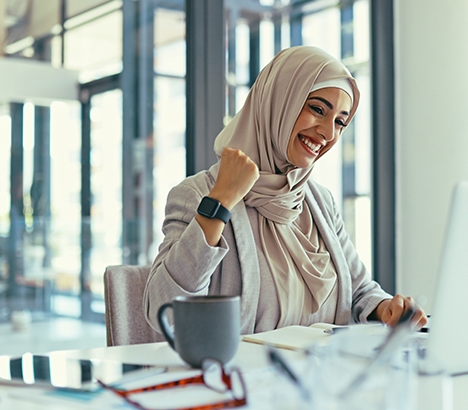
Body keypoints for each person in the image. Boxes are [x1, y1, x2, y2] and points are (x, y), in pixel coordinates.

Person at [144, 45, 426, 335]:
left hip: (323, 375)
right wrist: (221, 200)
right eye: (318, 109)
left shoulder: (318, 201)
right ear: (279, 102)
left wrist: (387, 308)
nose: (329, 134)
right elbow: (165, 312)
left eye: (340, 122)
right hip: (240, 377)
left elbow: (359, 289)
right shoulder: (199, 193)